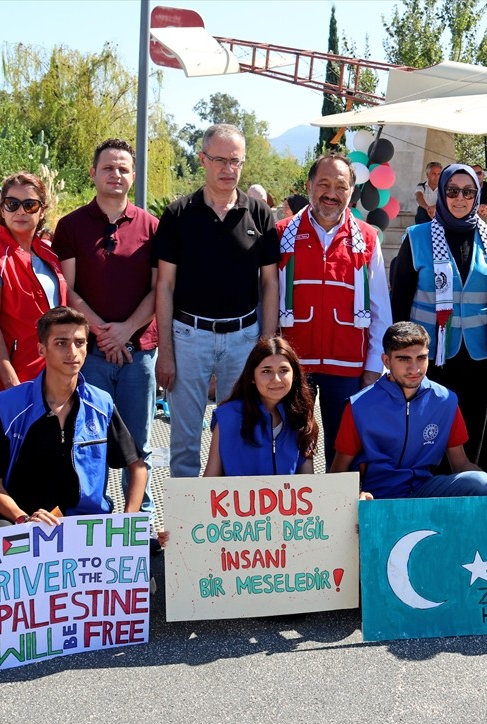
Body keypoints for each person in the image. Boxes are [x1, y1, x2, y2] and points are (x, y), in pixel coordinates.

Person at [155, 123, 279, 478]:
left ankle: (229, 513)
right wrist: (166, 350)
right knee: (184, 443)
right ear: (202, 160)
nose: (228, 169)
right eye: (220, 160)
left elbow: (270, 283)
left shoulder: (260, 214)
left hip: (243, 339)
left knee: (239, 437)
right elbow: (164, 285)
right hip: (188, 337)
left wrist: (266, 346)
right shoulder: (178, 214)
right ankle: (184, 514)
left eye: (235, 161)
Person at [53, 138, 161, 528]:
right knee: (89, 443)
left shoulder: (152, 227)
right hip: (89, 356)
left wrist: (126, 330)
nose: (116, 174)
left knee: (139, 446)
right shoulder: (70, 226)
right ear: (93, 173)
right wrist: (102, 333)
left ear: (133, 175)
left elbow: (159, 290)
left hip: (139, 354)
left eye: (123, 168)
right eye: (108, 168)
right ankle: (91, 524)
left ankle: (138, 524)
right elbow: (67, 289)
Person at [391, 163, 487, 477]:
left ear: (477, 196)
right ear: (441, 193)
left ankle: (479, 491)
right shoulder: (417, 237)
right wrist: (399, 355)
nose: (460, 198)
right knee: (432, 430)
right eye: (452, 191)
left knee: (478, 431)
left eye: (468, 192)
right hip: (431, 356)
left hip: (481, 355)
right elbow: (401, 297)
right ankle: (433, 493)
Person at [0, 306, 147, 528]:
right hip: (20, 517)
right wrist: (23, 518)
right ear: (41, 349)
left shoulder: (101, 404)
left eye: (79, 342)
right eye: (61, 343)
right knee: (0, 534)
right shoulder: (9, 405)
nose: (72, 352)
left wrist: (127, 521)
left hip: (81, 520)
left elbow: (138, 468)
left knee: (150, 544)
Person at [276, 153, 390, 465]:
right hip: (294, 365)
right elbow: (267, 300)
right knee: (292, 446)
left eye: (340, 186)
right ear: (309, 186)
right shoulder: (282, 233)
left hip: (349, 366)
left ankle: (341, 498)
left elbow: (380, 307)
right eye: (323, 184)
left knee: (345, 451)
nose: (331, 193)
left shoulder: (367, 237)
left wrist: (374, 366)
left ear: (351, 192)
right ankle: (298, 497)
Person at [330, 322, 487, 499]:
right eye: (404, 359)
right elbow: (338, 472)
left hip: (424, 491)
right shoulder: (359, 406)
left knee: (481, 483)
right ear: (386, 361)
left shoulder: (445, 400)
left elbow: (460, 463)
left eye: (421, 358)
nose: (414, 369)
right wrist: (357, 495)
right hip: (377, 497)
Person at [0, 172, 65, 393]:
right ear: (1, 209)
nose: (20, 211)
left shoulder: (49, 254)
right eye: (12, 204)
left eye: (30, 205)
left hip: (57, 376)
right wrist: (11, 384)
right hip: (18, 381)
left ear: (42, 210)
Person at [204, 336, 317, 477]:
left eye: (283, 370)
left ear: (294, 375)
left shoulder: (302, 416)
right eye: (266, 371)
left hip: (288, 492)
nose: (276, 379)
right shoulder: (227, 417)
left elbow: (307, 478)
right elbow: (210, 480)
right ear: (252, 376)